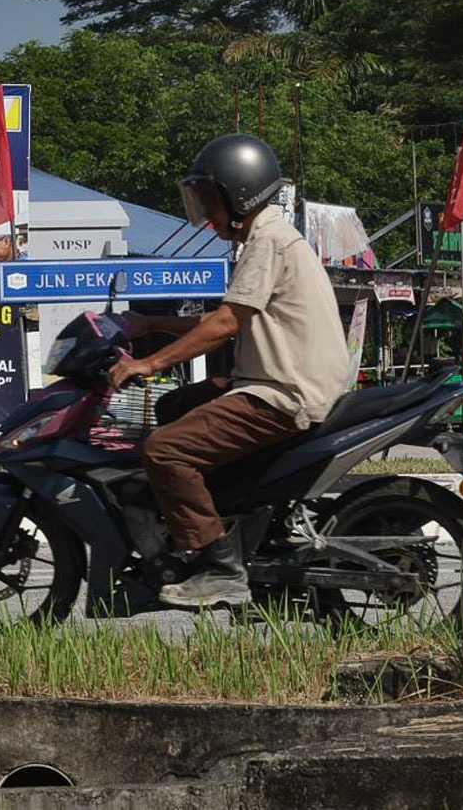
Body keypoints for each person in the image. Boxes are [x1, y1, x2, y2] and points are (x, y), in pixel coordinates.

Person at [107, 134, 350, 608]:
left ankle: (220, 566)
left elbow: (225, 323)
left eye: (209, 200)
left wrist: (149, 362)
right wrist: (151, 322)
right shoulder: (267, 236)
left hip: (282, 393)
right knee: (174, 404)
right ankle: (223, 516)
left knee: (165, 451)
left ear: (240, 193)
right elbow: (229, 314)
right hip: (278, 381)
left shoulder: (270, 241)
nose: (205, 212)